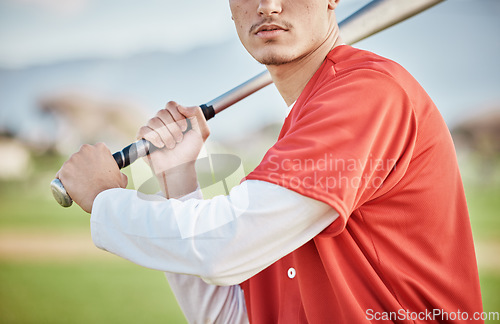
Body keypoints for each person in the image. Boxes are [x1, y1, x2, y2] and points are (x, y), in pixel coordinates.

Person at [56, 0, 484, 322]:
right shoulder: (298, 135)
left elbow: (223, 247)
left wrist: (108, 199)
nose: (268, 6)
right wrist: (179, 178)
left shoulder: (367, 94)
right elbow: (230, 315)